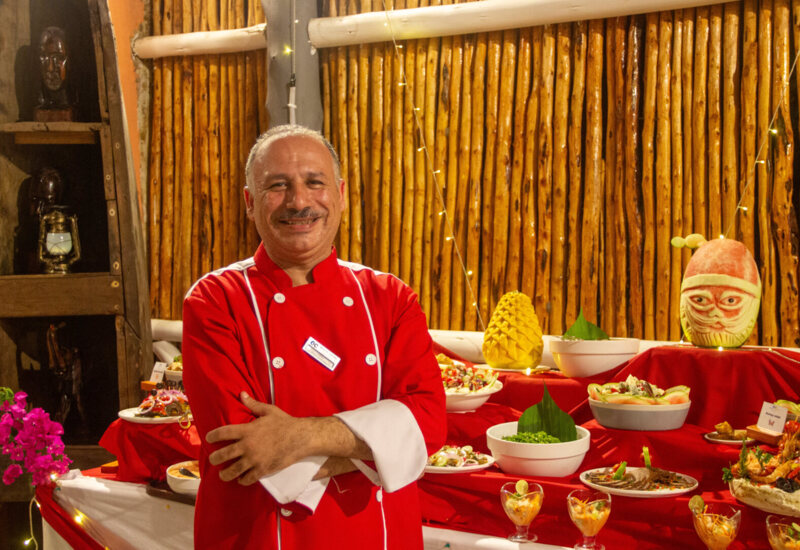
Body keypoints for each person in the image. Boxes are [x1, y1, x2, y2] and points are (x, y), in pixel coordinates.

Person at [182, 124, 447, 549]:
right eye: (278, 186)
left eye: (314, 182)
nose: (299, 201)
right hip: (258, 534)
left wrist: (299, 436)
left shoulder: (391, 297)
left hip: (376, 534)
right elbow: (243, 449)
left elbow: (427, 425)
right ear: (250, 203)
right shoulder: (216, 299)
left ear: (340, 193)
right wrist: (380, 447)